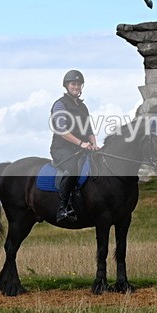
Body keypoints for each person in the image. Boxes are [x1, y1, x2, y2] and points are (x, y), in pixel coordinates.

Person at [50, 70, 98, 223]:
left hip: (81, 148)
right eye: (73, 84)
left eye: (78, 84)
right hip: (61, 148)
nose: (76, 87)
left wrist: (94, 145)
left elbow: (89, 130)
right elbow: (62, 131)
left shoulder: (83, 107)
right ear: (67, 85)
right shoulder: (60, 105)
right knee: (72, 169)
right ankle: (62, 209)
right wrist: (81, 143)